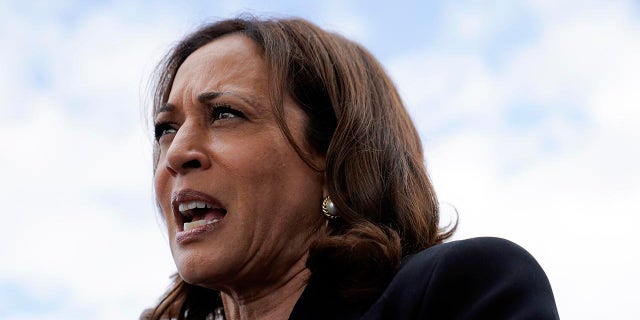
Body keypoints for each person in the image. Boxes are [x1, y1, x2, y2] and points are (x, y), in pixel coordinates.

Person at [144, 16, 559, 320]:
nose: (177, 153)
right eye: (166, 128)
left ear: (334, 154)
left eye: (225, 114)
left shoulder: (460, 290)